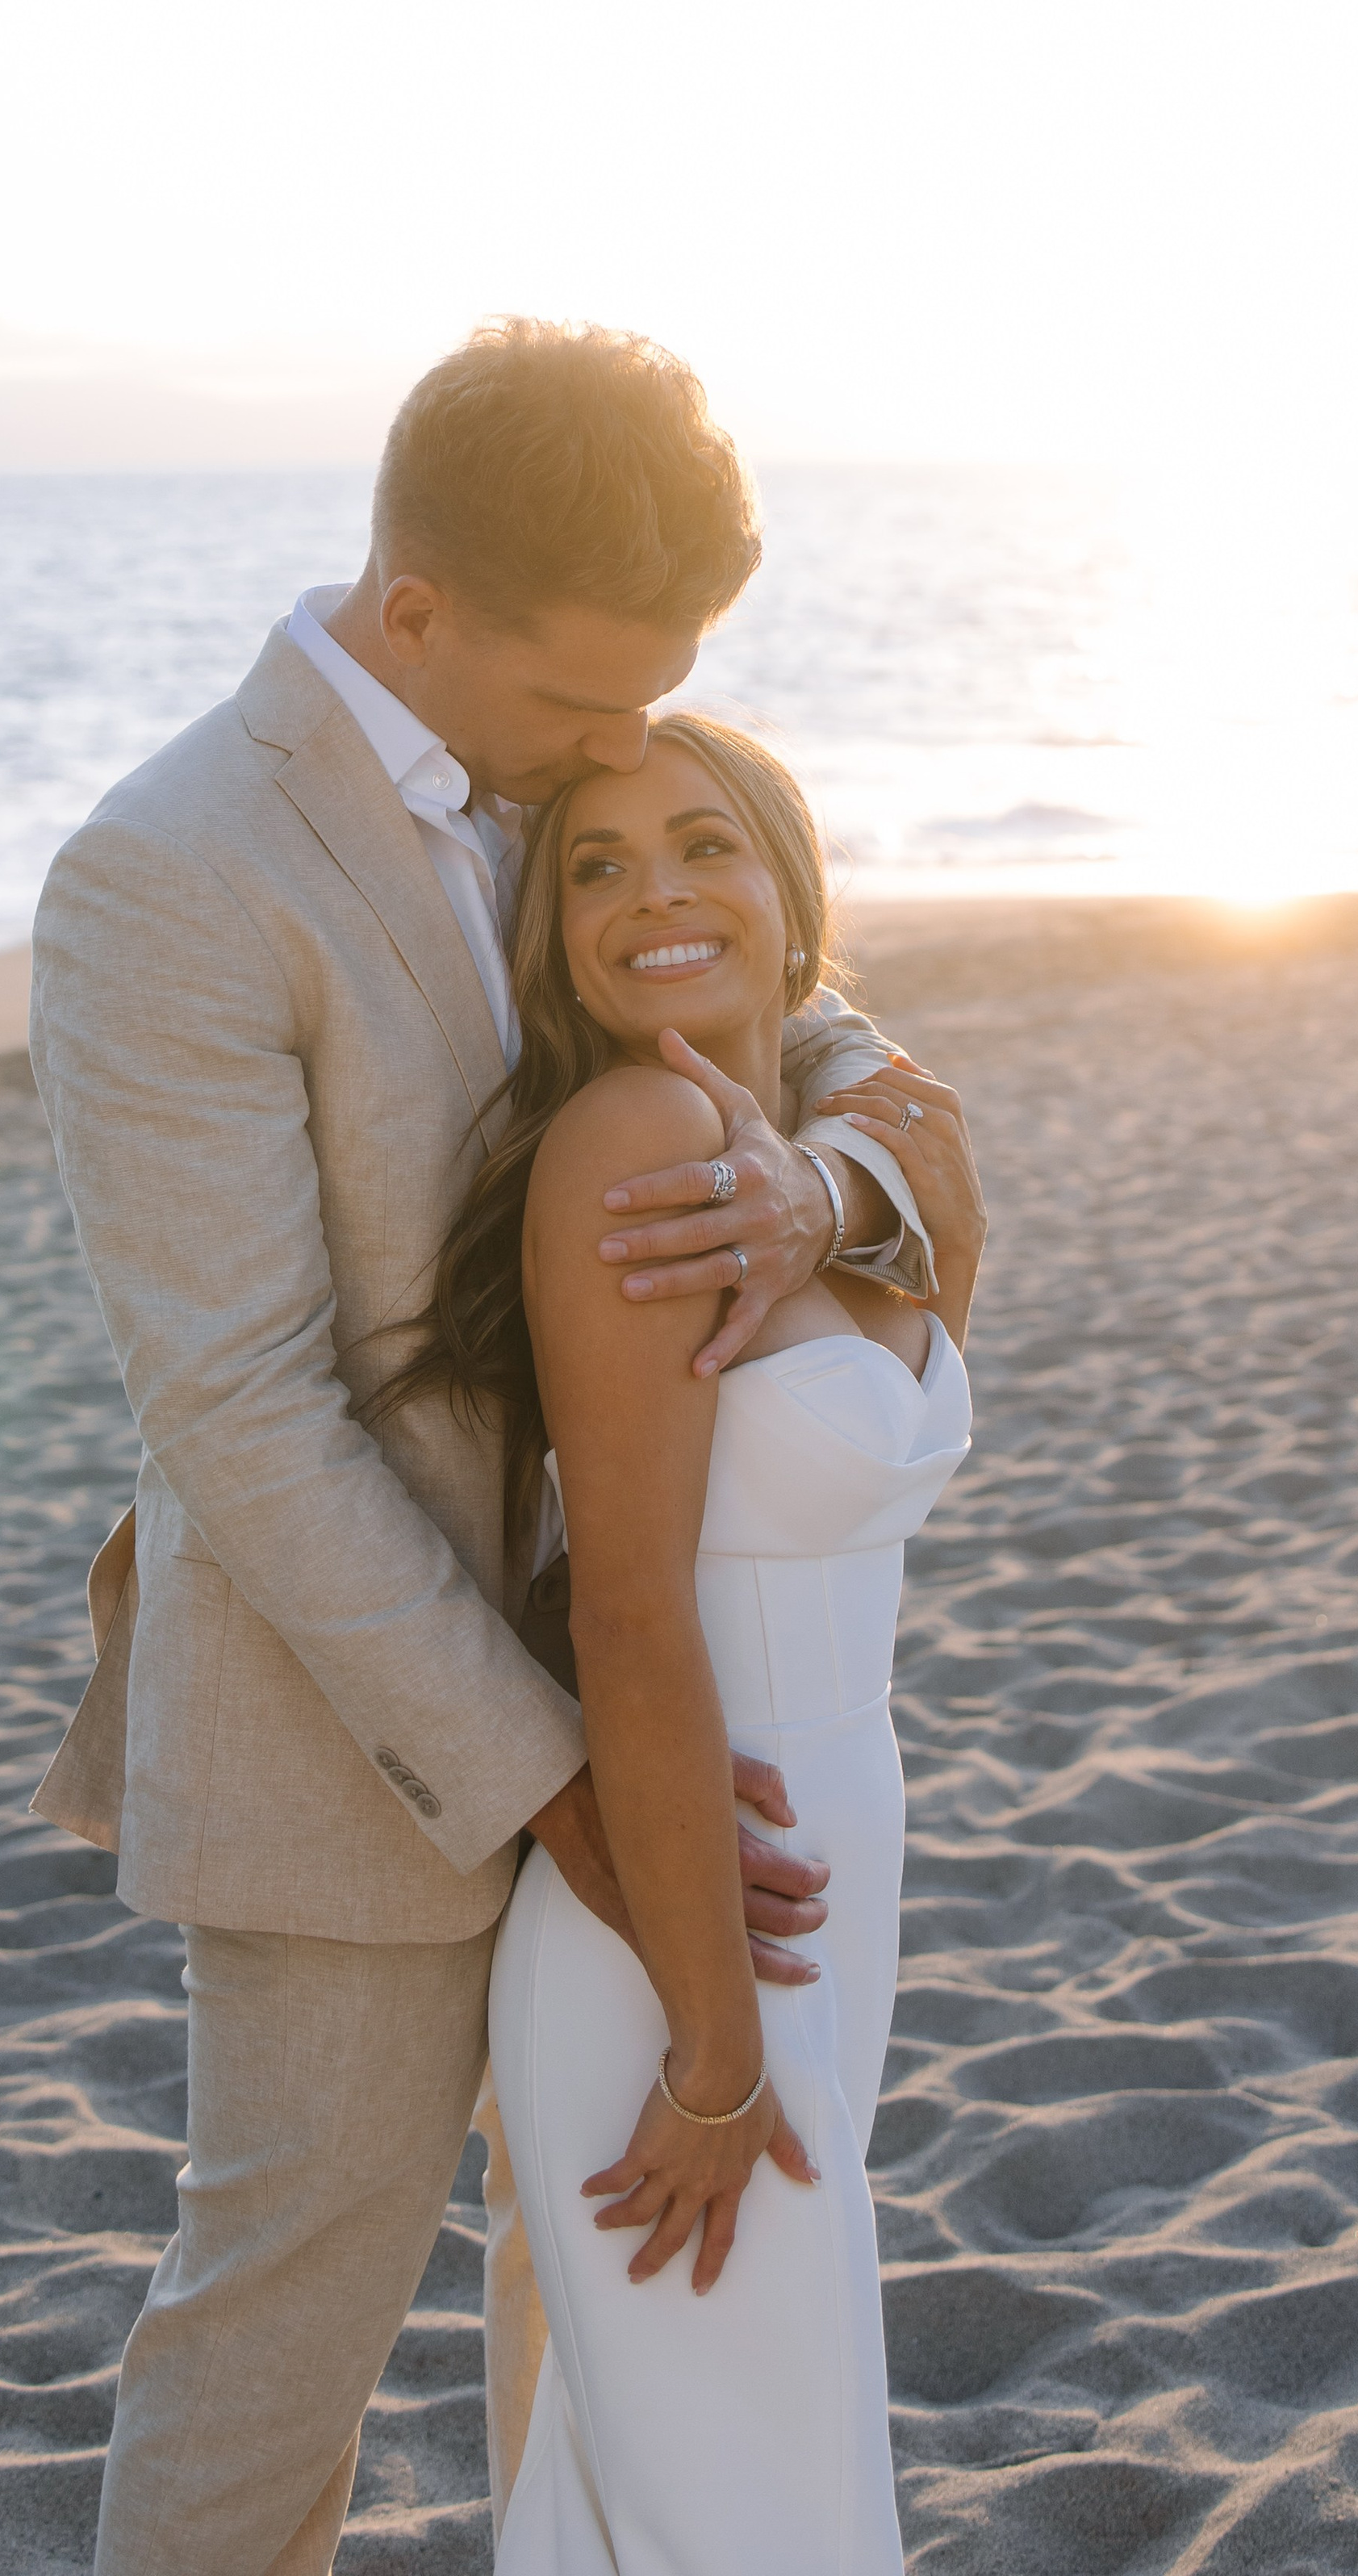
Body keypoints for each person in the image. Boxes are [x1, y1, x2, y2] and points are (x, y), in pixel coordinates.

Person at [26, 318, 955, 2575]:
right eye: (583, 701)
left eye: (658, 702)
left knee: (614, 2320)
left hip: (675, 1709)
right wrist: (572, 1781)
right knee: (282, 2334)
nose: (621, 749)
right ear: (418, 607)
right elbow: (239, 1412)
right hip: (349, 1746)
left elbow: (811, 1021)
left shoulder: (564, 764)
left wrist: (825, 1194)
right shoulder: (168, 874)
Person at [387, 709, 982, 2570]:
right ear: (553, 933)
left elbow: (925, 1217)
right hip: (684, 1920)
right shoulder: (634, 1138)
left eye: (703, 846)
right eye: (596, 866)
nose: (653, 895)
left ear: (789, 887)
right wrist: (713, 2052)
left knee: (708, 2482)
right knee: (734, 2501)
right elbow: (630, 1614)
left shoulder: (831, 1154)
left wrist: (841, 1165)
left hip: (828, 1872)